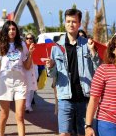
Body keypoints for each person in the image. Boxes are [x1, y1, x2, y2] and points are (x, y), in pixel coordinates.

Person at [45, 8, 99, 136]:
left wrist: (93, 52)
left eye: (74, 21)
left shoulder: (88, 45)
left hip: (84, 97)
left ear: (79, 24)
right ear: (64, 23)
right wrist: (51, 66)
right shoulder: (56, 46)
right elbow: (52, 75)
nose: (71, 24)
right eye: (68, 21)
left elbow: (98, 70)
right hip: (65, 97)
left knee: (84, 133)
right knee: (64, 133)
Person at [0, 20, 34, 136]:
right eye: (9, 29)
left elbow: (27, 66)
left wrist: (30, 54)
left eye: (14, 29)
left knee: (20, 116)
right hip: (5, 83)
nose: (12, 31)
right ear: (5, 31)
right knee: (4, 114)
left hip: (20, 83)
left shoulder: (22, 45)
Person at [24, 33, 38, 113]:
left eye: (30, 38)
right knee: (26, 88)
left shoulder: (37, 47)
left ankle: (28, 104)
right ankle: (27, 106)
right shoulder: (22, 47)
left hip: (34, 68)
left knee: (32, 87)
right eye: (27, 38)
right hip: (26, 68)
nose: (29, 40)